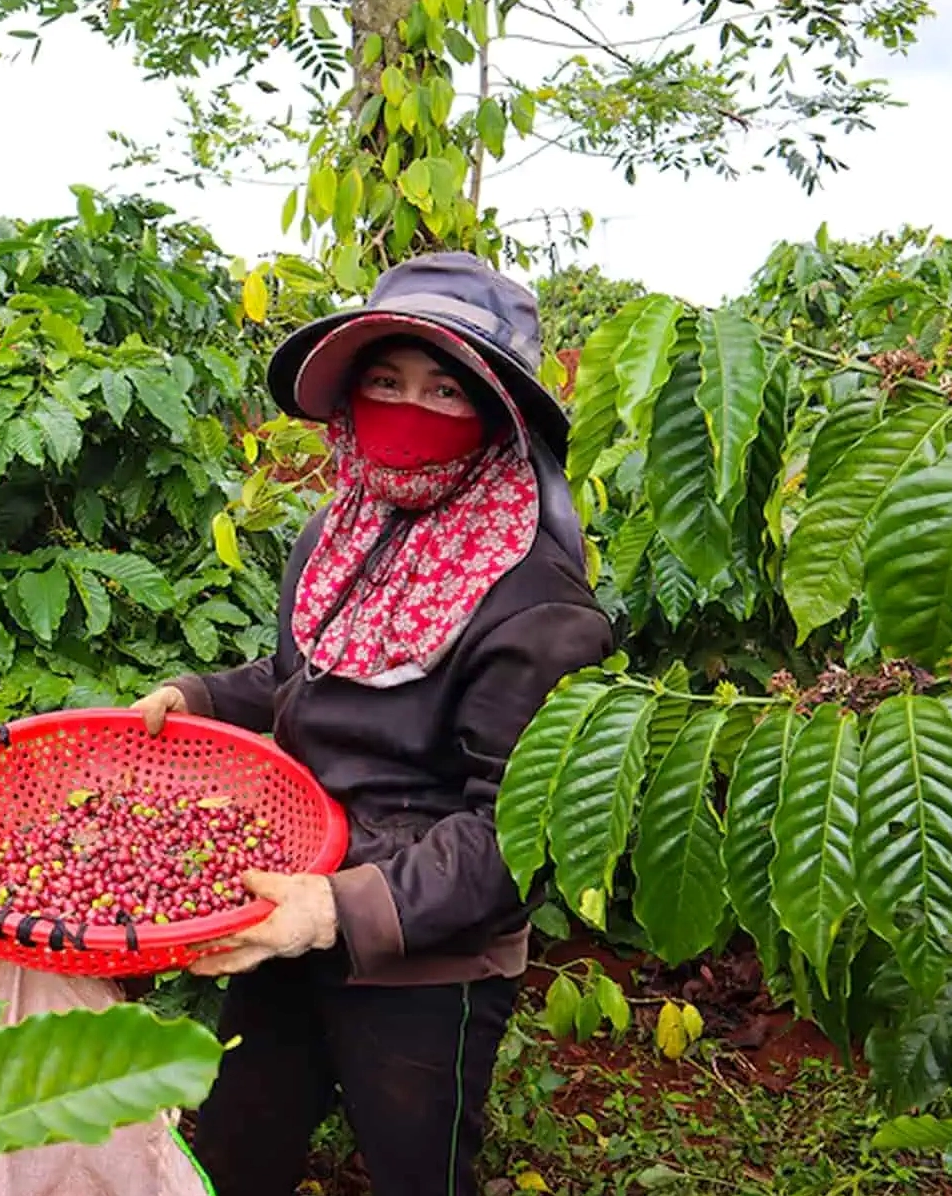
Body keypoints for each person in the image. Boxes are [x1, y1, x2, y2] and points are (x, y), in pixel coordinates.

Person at [131, 251, 613, 1196]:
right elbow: (302, 674)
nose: (407, 408)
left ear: (494, 415)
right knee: (236, 1138)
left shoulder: (538, 605)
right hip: (292, 888)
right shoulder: (339, 531)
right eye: (386, 382)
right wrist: (197, 695)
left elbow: (522, 829)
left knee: (415, 1165)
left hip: (427, 952)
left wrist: (342, 909)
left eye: (443, 390)